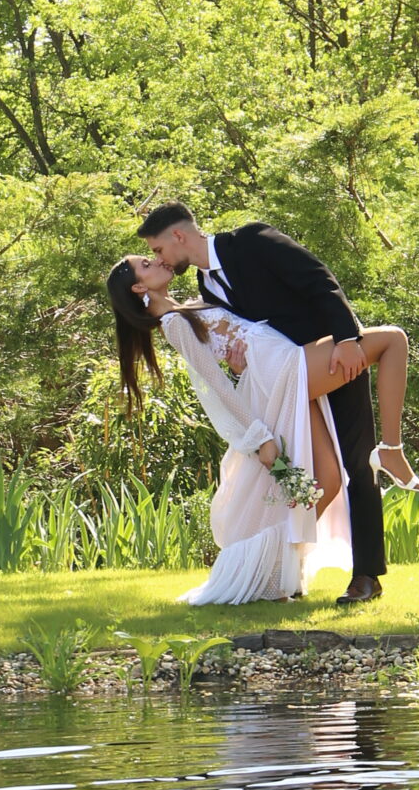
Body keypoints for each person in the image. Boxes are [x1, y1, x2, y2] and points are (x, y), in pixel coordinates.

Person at [134, 205, 406, 604]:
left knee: (354, 465)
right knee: (326, 477)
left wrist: (347, 340)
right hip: (284, 376)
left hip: (329, 355)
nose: (158, 258)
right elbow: (228, 357)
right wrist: (243, 376)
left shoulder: (252, 241)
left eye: (156, 249)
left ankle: (364, 576)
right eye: (150, 257)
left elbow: (319, 281)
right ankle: (277, 569)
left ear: (178, 236)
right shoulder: (203, 294)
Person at [105, 258, 352, 605]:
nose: (158, 260)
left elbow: (233, 354)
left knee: (327, 478)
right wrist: (258, 438)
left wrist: (239, 366)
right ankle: (275, 572)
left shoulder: (188, 308)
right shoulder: (174, 323)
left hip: (271, 376)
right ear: (139, 287)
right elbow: (215, 384)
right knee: (318, 480)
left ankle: (282, 568)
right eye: (146, 264)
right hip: (267, 398)